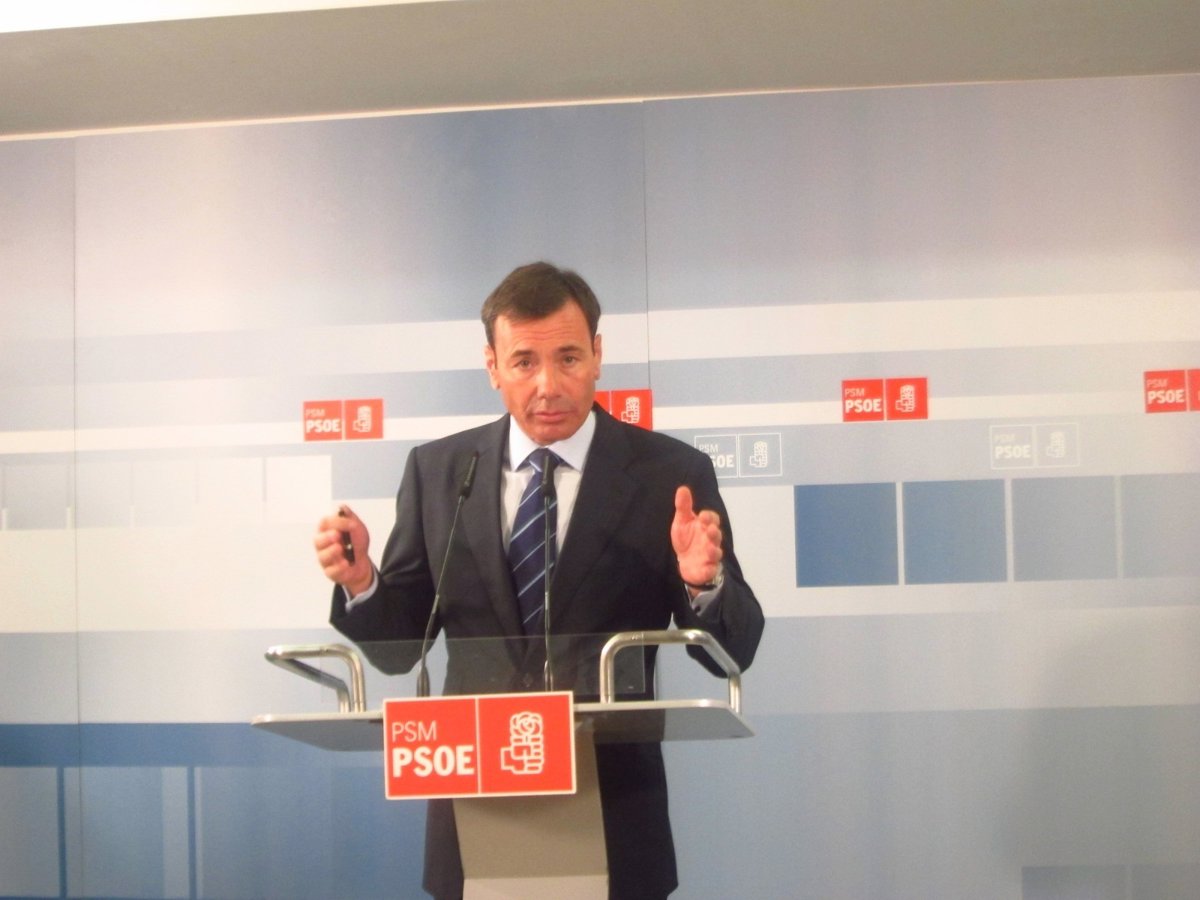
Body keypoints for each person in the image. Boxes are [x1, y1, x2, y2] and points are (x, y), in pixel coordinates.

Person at [314, 261, 764, 900]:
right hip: (475, 810)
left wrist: (703, 584)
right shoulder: (439, 471)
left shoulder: (669, 473)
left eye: (568, 358)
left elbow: (735, 648)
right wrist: (363, 582)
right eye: (524, 362)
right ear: (493, 366)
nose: (548, 385)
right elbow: (399, 648)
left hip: (613, 810)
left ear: (598, 356)